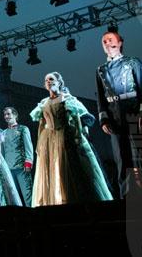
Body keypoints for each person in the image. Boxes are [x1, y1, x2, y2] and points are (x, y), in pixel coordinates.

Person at [31, 72, 113, 206]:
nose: (48, 82)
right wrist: (39, 144)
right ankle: (53, 201)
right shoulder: (43, 103)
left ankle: (69, 199)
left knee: (66, 167)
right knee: (51, 169)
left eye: (51, 79)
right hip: (48, 139)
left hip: (65, 135)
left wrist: (79, 135)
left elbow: (81, 118)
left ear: (59, 82)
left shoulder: (67, 99)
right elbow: (41, 124)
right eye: (46, 80)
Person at [95, 31, 142, 198]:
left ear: (120, 42)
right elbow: (101, 98)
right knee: (121, 159)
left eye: (110, 39)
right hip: (114, 116)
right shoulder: (100, 70)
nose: (107, 43)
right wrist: (104, 119)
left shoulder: (133, 62)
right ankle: (127, 199)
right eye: (104, 41)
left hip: (133, 112)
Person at [2, 107, 34, 207]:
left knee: (27, 195)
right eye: (5, 115)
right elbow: (2, 152)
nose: (6, 116)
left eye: (8, 114)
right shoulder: (3, 133)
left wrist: (28, 163)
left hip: (22, 167)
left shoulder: (23, 129)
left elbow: (28, 147)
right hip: (8, 168)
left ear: (15, 115)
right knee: (13, 196)